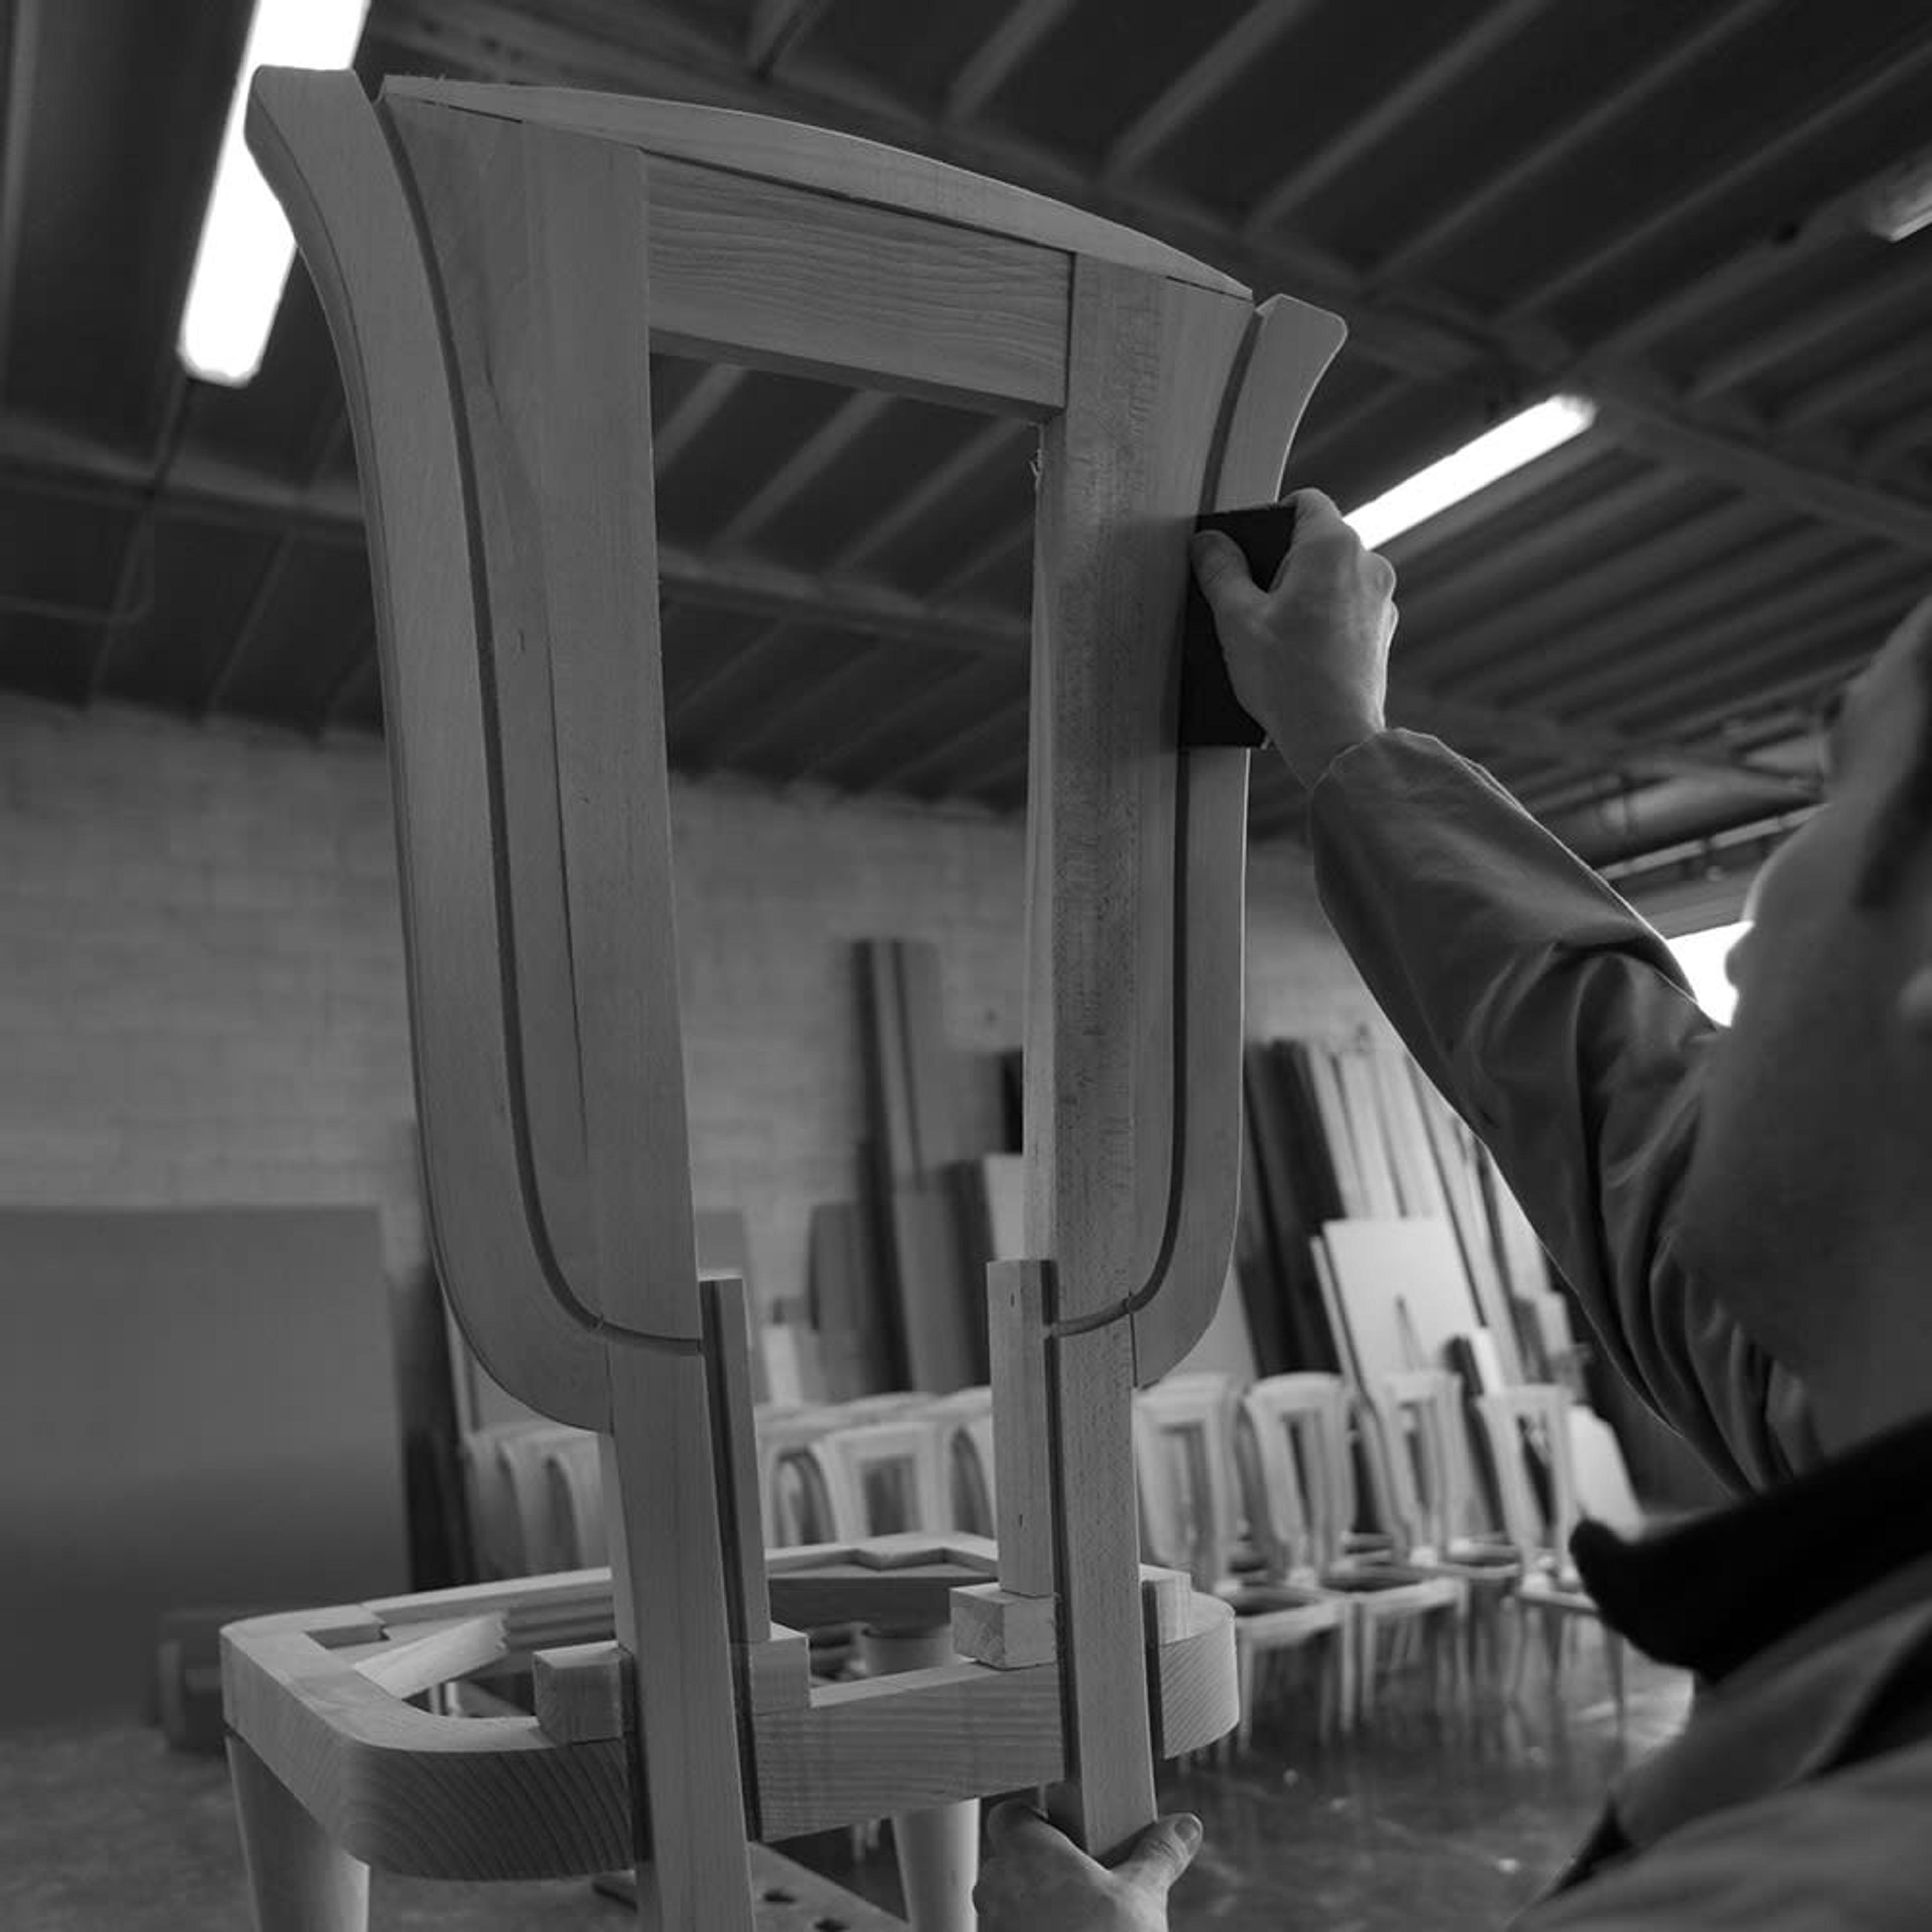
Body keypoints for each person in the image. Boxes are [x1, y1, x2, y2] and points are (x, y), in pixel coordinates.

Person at [972, 487, 1932, 1929]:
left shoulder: (1817, 1889)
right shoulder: (1867, 1387)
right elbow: (1607, 1086)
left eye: (1837, 801)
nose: (1736, 954)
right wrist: (1344, 744)